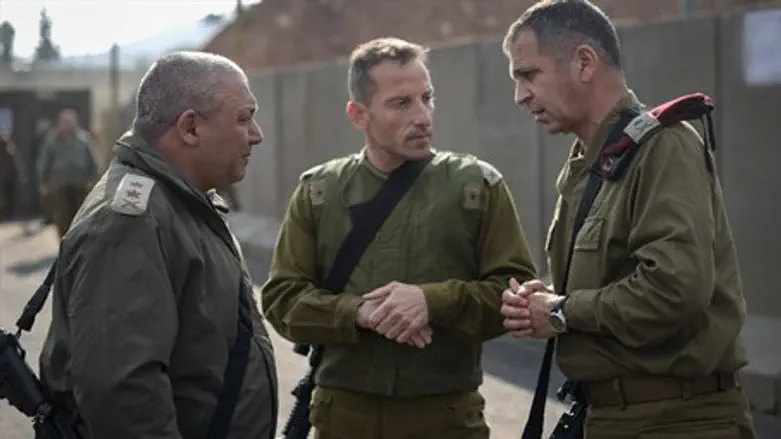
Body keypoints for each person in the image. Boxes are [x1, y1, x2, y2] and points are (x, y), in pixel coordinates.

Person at [498, 1, 755, 438]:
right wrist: (548, 302)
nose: (520, 95)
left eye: (528, 75)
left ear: (584, 62)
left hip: (679, 421)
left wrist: (560, 311)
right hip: (611, 416)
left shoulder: (663, 146)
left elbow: (674, 289)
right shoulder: (593, 164)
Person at [261, 37, 538, 439]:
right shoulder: (320, 192)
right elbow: (281, 298)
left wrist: (431, 301)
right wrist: (358, 313)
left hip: (445, 418)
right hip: (343, 418)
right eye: (401, 103)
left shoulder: (476, 187)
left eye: (427, 98)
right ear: (359, 114)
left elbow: (513, 297)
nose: (423, 116)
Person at [38, 51, 279, 439]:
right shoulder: (130, 223)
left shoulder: (178, 202)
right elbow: (124, 395)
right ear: (190, 128)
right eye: (243, 117)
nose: (256, 133)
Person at [35, 109, 100, 237]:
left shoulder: (84, 139)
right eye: (64, 122)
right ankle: (64, 244)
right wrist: (43, 181)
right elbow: (44, 161)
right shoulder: (53, 140)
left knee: (80, 217)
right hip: (59, 185)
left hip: (80, 185)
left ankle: (77, 244)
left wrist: (95, 180)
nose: (67, 125)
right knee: (62, 218)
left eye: (69, 122)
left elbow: (94, 160)